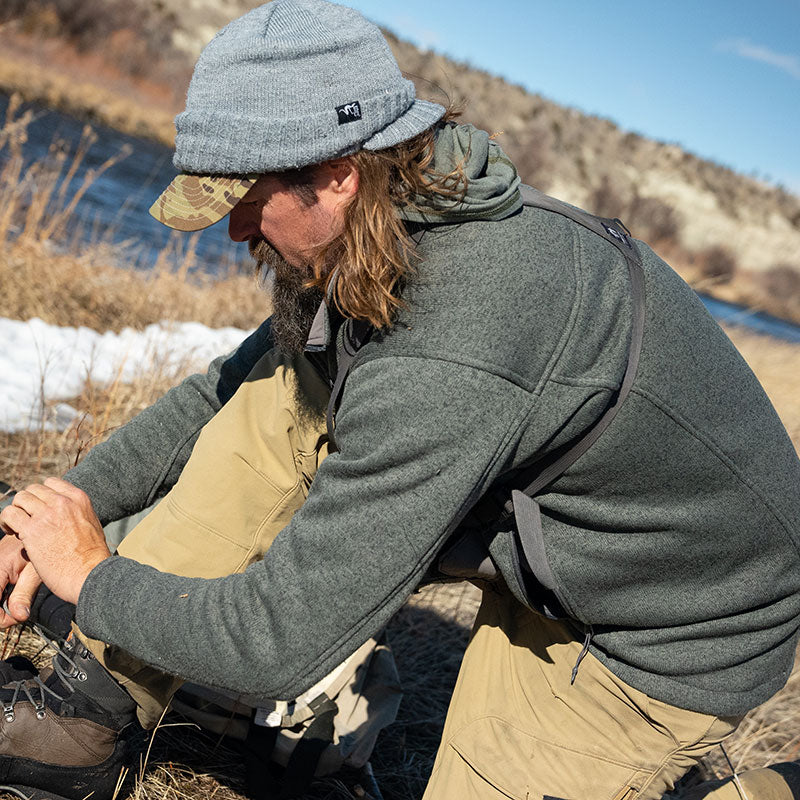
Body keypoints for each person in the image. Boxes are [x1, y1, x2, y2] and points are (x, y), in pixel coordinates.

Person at [1, 1, 800, 798]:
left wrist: (93, 578)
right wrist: (53, 513)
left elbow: (280, 640)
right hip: (540, 521)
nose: (235, 232)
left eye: (247, 198)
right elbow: (218, 396)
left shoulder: (463, 328)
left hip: (663, 621)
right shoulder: (384, 230)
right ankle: (86, 722)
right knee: (278, 392)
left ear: (340, 177)